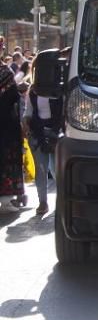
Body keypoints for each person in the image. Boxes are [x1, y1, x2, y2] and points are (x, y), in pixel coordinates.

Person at [0, 66, 27, 212]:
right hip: (7, 129)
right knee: (7, 161)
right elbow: (14, 97)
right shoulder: (6, 73)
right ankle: (5, 200)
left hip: (7, 128)